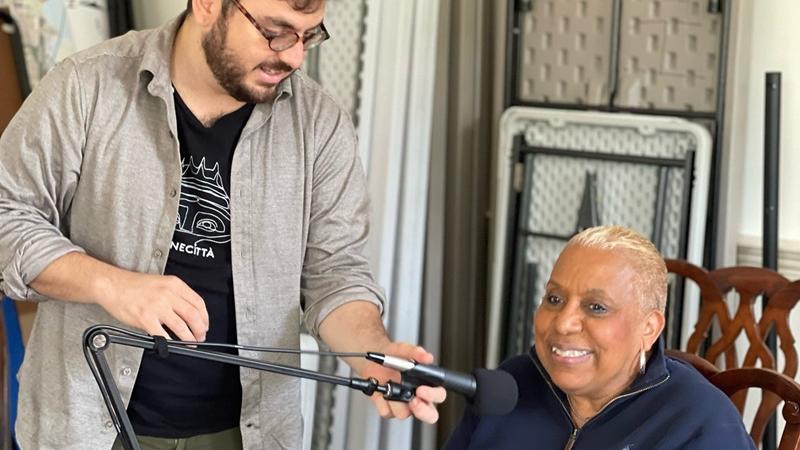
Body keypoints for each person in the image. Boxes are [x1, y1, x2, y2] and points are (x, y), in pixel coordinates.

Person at [0, 0, 445, 448]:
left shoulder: (319, 125)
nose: (293, 56)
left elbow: (336, 275)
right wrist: (111, 285)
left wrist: (374, 354)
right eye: (276, 31)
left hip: (247, 434)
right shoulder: (88, 85)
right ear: (208, 5)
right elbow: (7, 214)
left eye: (309, 35)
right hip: (87, 427)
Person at [443, 226, 755, 449]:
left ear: (649, 328)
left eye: (596, 307)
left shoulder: (699, 421)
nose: (564, 324)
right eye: (554, 299)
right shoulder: (513, 383)